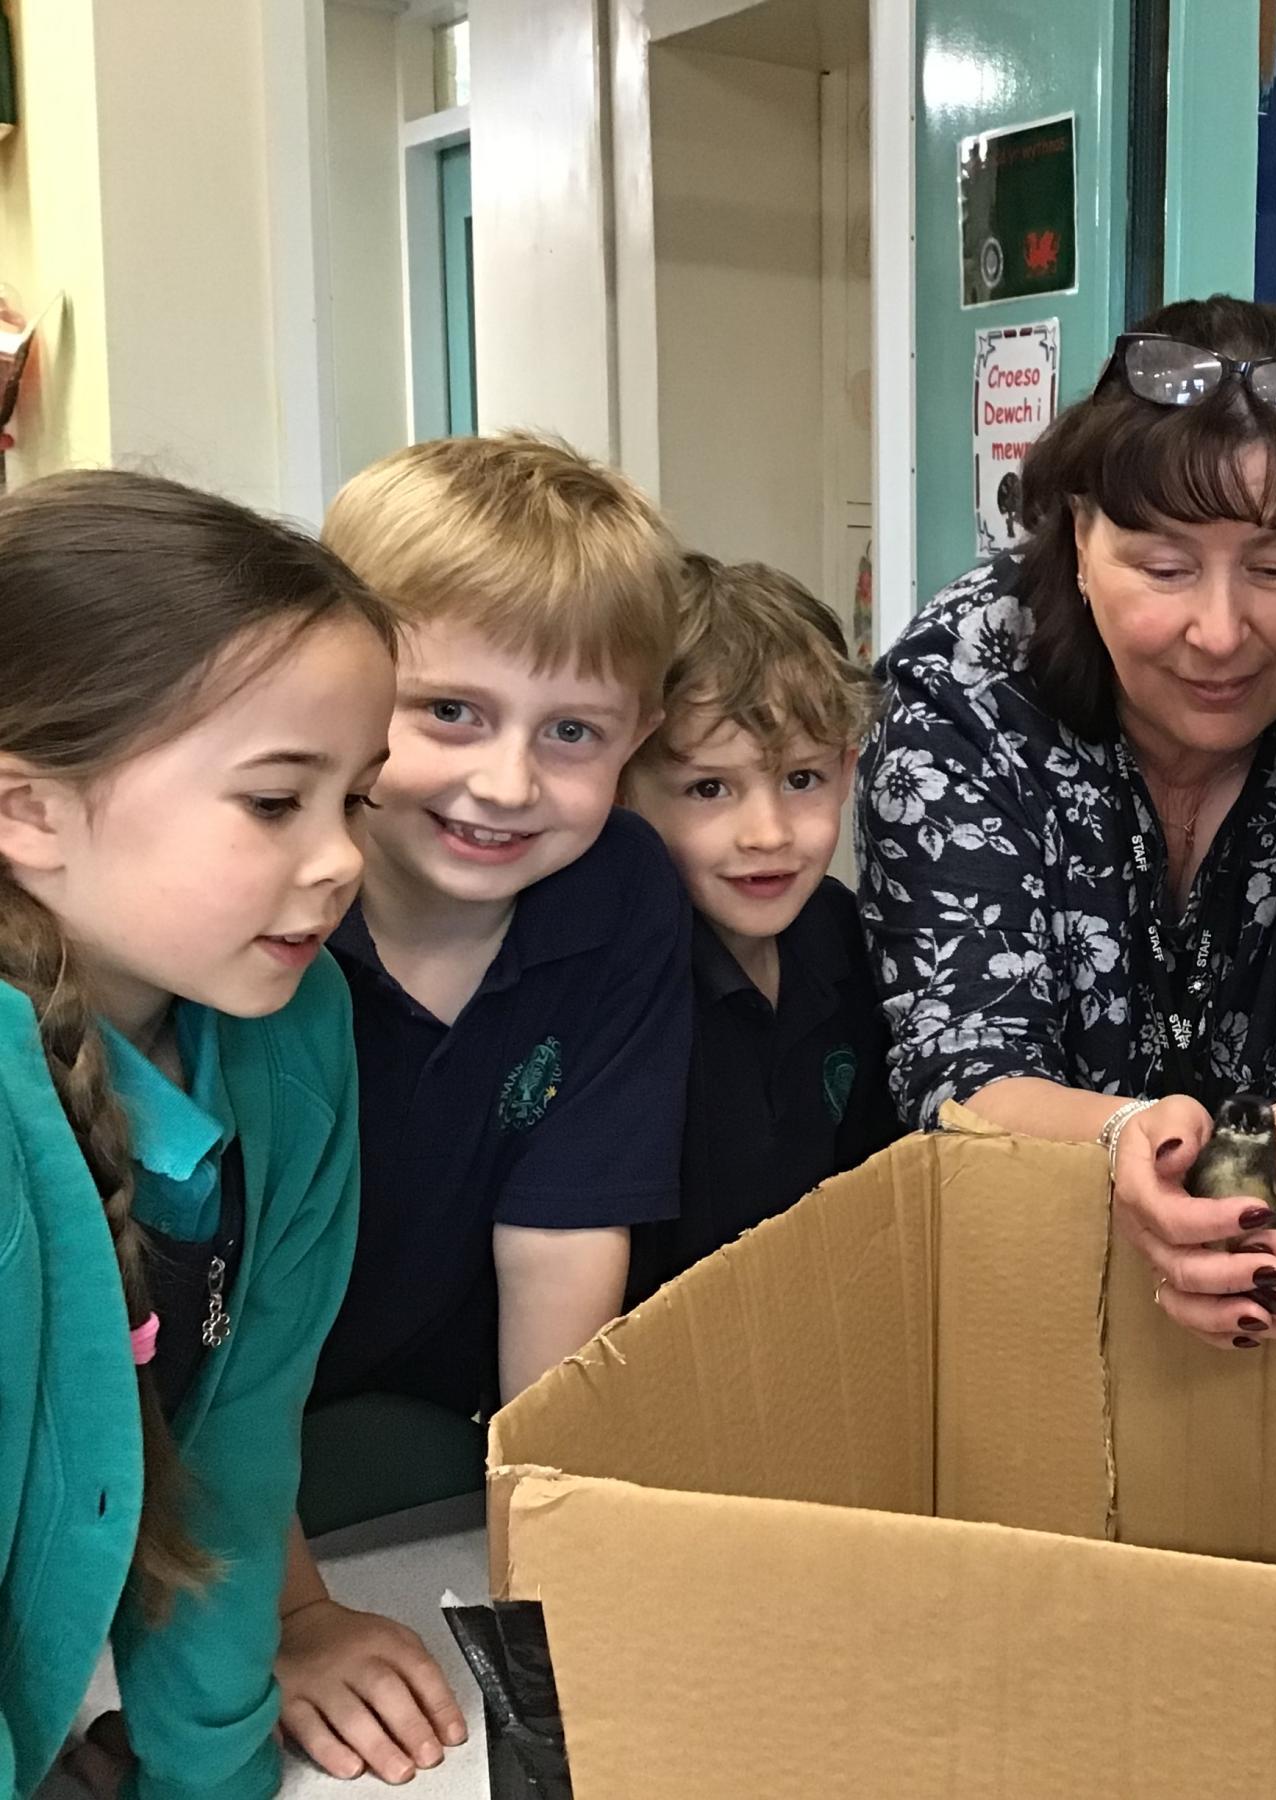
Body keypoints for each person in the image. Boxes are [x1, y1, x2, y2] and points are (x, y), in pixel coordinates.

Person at [857, 296, 1276, 1351]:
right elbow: (961, 1066)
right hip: (1006, 1301)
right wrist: (1124, 1141)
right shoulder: (962, 693)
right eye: (1163, 569)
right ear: (1074, 540)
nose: (1219, 631)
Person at [277, 432, 694, 1785]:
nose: (509, 784)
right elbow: (181, 1329)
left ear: (635, 741)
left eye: (571, 732)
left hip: (423, 1426)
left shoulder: (621, 893)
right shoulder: (257, 916)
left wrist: (552, 1590)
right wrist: (284, 1616)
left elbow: (564, 1251)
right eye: (448, 712)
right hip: (215, 1429)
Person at [0, 471, 395, 1800]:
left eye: (360, 800)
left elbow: (233, 1452)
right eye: (278, 802)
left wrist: (210, 1781)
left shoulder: (295, 1025)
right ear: (25, 810)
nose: (342, 858)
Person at [621, 553, 900, 1303]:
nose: (769, 833)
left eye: (800, 779)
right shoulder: (623, 981)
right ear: (625, 788)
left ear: (848, 770)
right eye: (709, 788)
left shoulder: (839, 932)